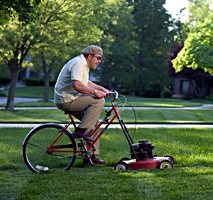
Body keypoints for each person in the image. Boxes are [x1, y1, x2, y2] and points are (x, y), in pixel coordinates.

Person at [54, 45, 109, 164]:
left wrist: (102, 89)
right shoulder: (79, 63)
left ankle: (90, 157)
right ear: (90, 56)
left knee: (93, 122)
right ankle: (80, 131)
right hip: (67, 100)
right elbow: (77, 86)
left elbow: (85, 83)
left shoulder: (83, 64)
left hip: (71, 98)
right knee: (98, 101)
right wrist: (96, 92)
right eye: (98, 58)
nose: (99, 61)